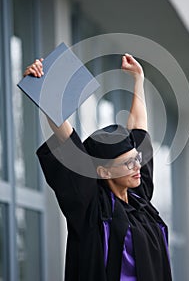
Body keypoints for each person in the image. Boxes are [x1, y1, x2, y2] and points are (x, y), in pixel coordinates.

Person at [23, 53, 172, 281]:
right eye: (127, 163)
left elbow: (139, 128)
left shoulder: (139, 196)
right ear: (103, 172)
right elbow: (67, 140)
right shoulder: (91, 208)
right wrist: (43, 88)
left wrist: (138, 80)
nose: (137, 166)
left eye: (136, 158)